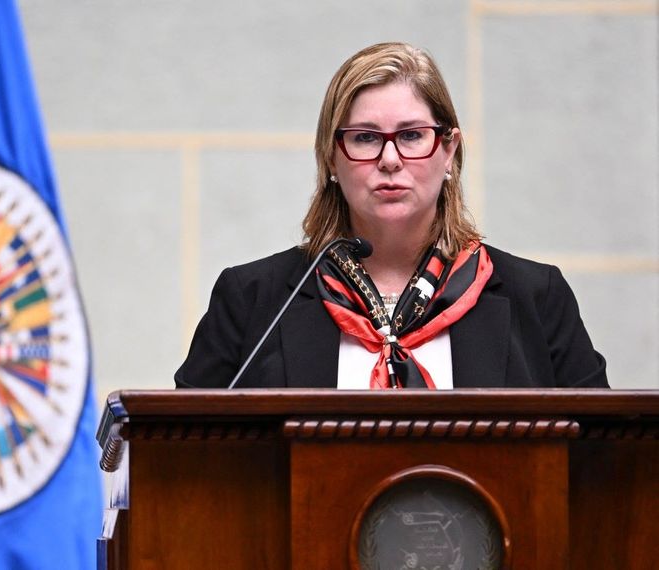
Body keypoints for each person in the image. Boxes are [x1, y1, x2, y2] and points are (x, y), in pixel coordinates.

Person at [175, 42, 608, 390]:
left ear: (449, 151)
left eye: (412, 135)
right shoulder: (253, 300)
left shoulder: (536, 296)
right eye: (365, 138)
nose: (389, 159)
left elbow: (604, 460)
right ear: (331, 156)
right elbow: (181, 454)